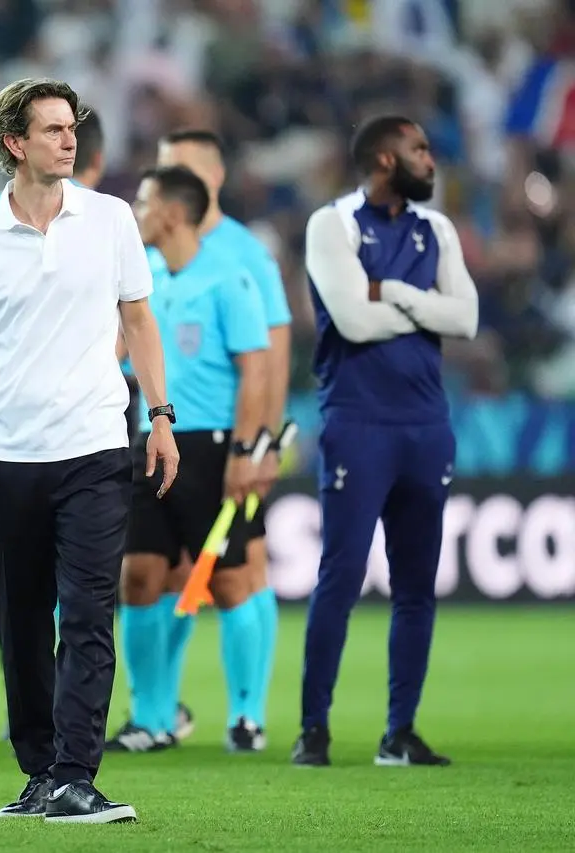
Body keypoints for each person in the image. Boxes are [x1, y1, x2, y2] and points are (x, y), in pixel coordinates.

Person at [0, 77, 178, 824]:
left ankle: (75, 771)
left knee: (88, 613)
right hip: (6, 454)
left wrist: (159, 417)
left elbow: (138, 320)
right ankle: (39, 771)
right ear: (15, 143)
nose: (70, 140)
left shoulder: (110, 219)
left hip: (98, 444)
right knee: (23, 618)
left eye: (72, 128)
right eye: (54, 130)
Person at [294, 115, 476, 767]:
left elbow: (469, 316)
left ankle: (399, 732)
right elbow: (352, 319)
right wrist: (423, 305)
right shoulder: (332, 224)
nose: (432, 158)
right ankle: (313, 727)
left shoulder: (438, 228)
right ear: (383, 158)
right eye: (420, 149)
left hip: (428, 425)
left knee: (417, 586)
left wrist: (394, 290)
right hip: (358, 421)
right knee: (339, 579)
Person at [107, 166, 270, 754]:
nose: (138, 210)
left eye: (145, 201)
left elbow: (256, 369)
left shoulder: (230, 281)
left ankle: (247, 716)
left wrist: (248, 450)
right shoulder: (141, 277)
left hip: (212, 445)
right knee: (141, 576)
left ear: (172, 213)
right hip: (149, 440)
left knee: (228, 582)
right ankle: (150, 717)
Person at [147, 129, 293, 745]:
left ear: (208, 178)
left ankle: (247, 709)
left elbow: (271, 349)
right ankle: (161, 710)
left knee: (241, 570)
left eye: (173, 171)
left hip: (227, 437)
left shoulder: (242, 255)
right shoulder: (154, 261)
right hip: (162, 436)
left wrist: (260, 443)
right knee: (165, 572)